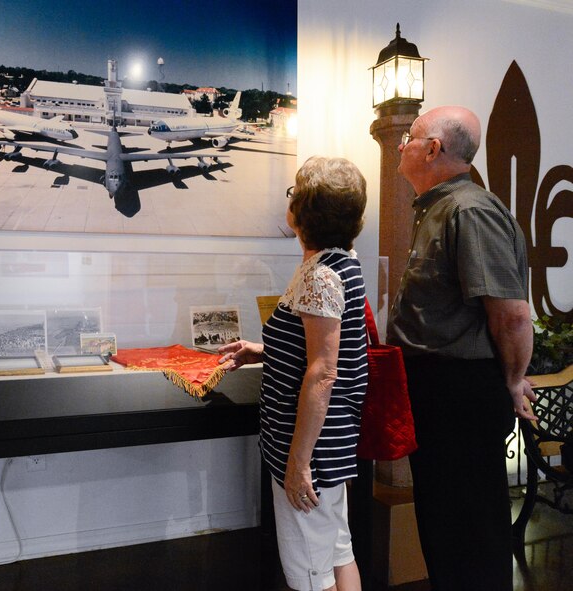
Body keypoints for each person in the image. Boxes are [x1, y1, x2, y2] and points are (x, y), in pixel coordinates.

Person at [387, 105, 536, 591]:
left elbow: (511, 314)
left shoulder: (469, 210)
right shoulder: (438, 206)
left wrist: (513, 381)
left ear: (432, 149)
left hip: (459, 394)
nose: (401, 144)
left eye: (408, 136)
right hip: (436, 390)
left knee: (470, 529)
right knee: (444, 524)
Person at [219, 156, 368, 591]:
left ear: (302, 211)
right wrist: (262, 350)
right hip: (328, 443)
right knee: (338, 553)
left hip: (309, 449)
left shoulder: (321, 276)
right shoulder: (337, 263)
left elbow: (322, 373)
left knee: (309, 574)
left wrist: (298, 464)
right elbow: (315, 350)